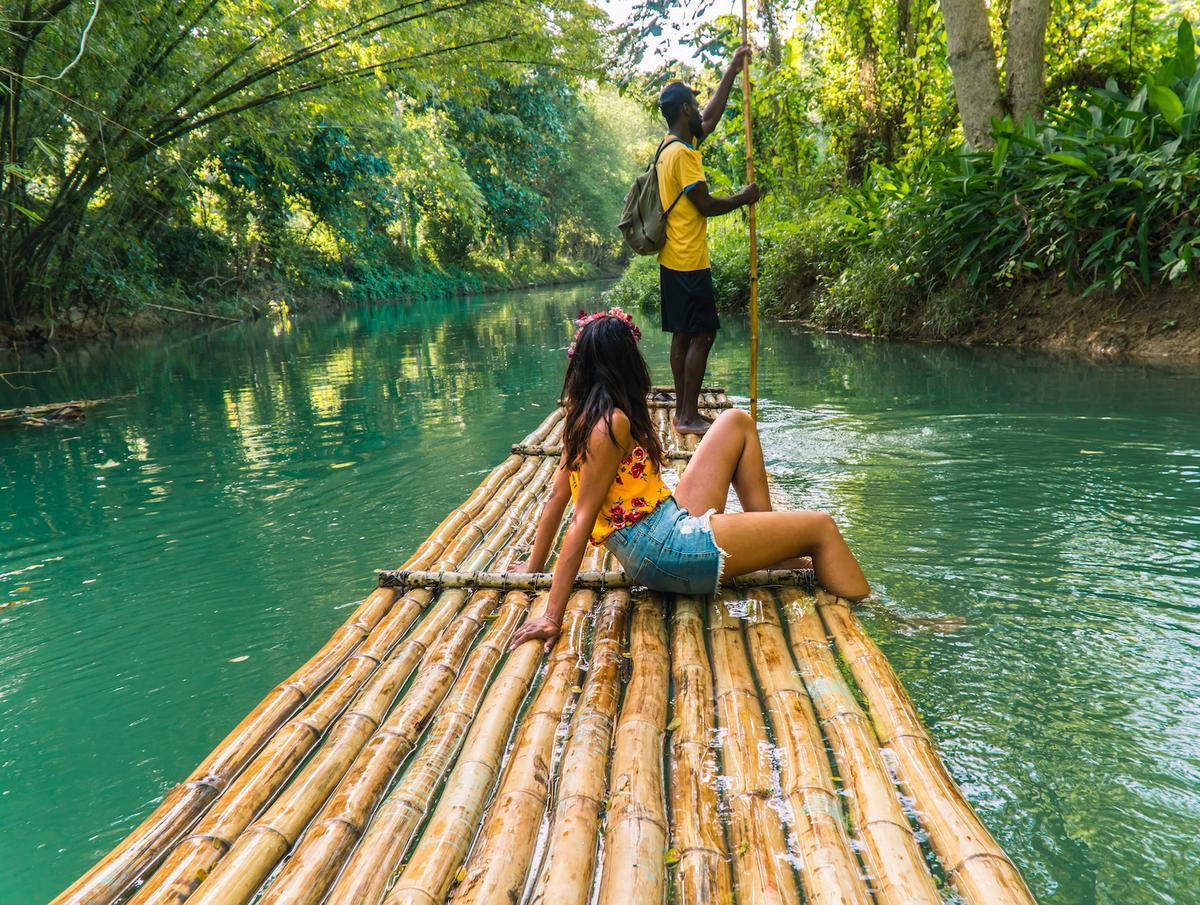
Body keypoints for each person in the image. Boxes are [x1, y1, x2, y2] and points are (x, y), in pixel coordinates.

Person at [507, 309, 870, 653]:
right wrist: (552, 616)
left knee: (735, 422)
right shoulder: (611, 423)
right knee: (822, 528)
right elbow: (580, 518)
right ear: (627, 365)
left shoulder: (583, 416)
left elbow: (556, 495)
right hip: (662, 549)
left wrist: (534, 566)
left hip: (663, 525)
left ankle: (773, 547)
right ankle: (876, 613)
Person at [655, 47, 762, 436]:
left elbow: (711, 117)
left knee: (684, 333)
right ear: (685, 110)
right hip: (688, 258)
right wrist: (742, 198)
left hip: (673, 257)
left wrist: (731, 71)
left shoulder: (669, 147)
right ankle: (686, 416)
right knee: (703, 332)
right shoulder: (683, 155)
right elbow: (704, 203)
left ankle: (685, 410)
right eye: (694, 105)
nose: (699, 111)